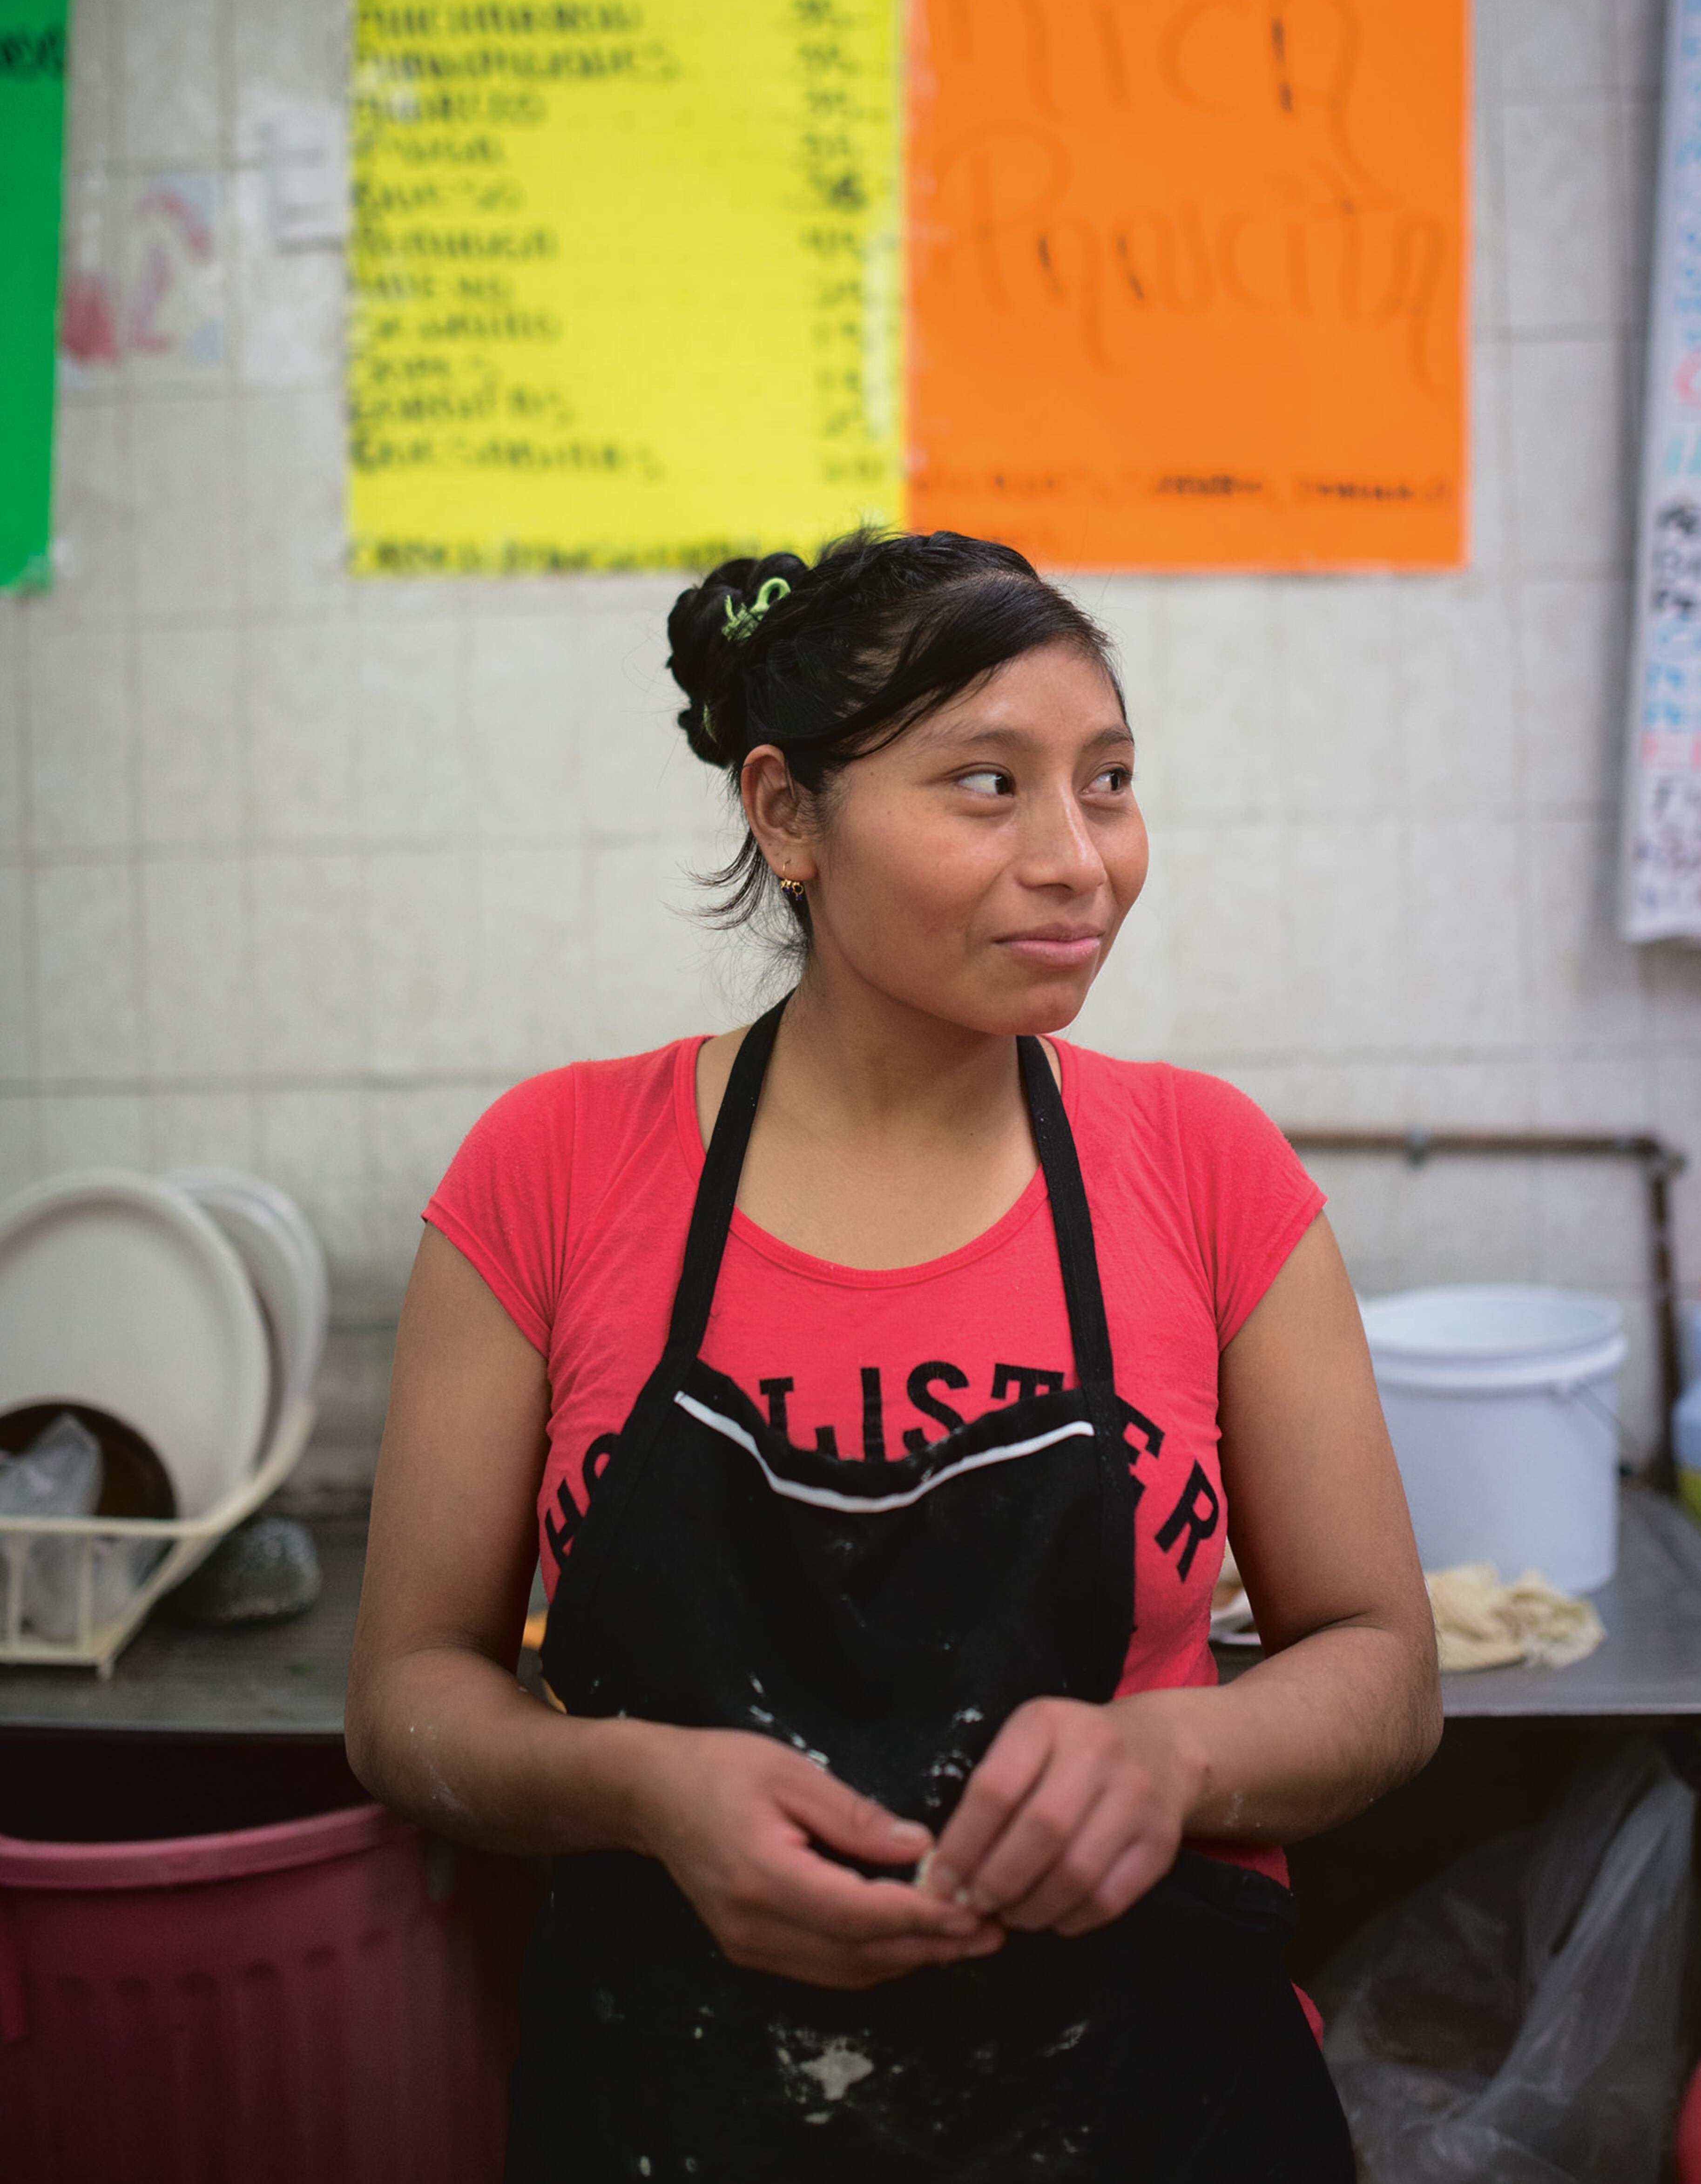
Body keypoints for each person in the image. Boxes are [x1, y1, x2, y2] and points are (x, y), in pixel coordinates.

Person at [346, 527, 1442, 2181]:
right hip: (678, 2109)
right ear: (787, 814)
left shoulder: (1209, 1170)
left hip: (1157, 2107)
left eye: (1112, 780)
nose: (1080, 858)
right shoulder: (553, 1171)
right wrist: (642, 1787)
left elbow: (1387, 1667)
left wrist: (1176, 1752)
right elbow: (405, 1697)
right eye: (987, 784)